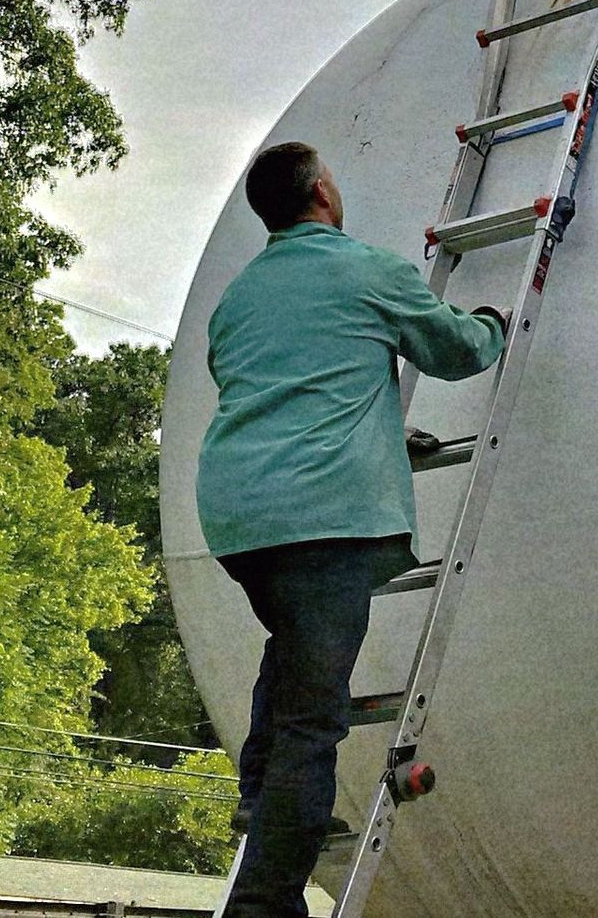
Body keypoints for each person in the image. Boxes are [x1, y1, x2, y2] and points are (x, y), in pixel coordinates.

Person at [196, 141, 506, 918]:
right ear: (324, 194)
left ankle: (260, 800)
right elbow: (457, 350)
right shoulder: (364, 268)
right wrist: (495, 321)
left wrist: (375, 438)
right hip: (324, 518)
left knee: (292, 655)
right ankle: (264, 904)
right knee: (314, 719)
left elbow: (289, 392)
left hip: (241, 517)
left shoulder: (237, 299)